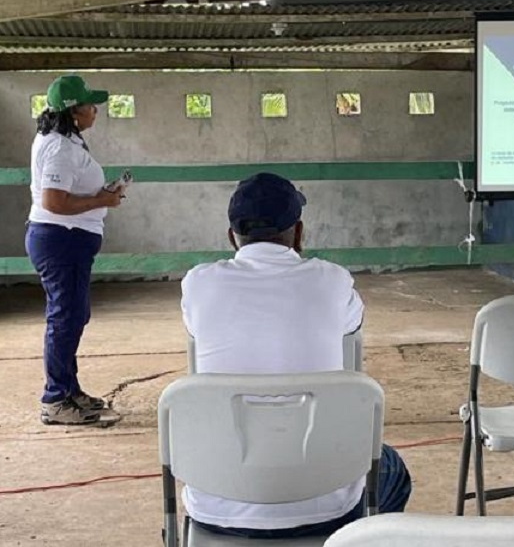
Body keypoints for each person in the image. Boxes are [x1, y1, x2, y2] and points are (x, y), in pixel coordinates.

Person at [180, 172, 411, 539]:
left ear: (231, 238)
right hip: (327, 507)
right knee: (392, 469)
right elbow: (353, 325)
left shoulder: (198, 283)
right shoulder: (333, 279)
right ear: (299, 234)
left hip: (218, 504)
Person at [26, 75, 126, 425]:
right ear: (73, 111)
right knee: (65, 318)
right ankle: (55, 399)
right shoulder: (59, 147)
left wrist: (103, 197)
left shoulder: (63, 140)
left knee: (72, 316)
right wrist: (103, 199)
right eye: (89, 104)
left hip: (67, 239)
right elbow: (54, 201)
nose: (94, 110)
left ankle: (69, 389)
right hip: (61, 239)